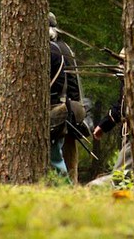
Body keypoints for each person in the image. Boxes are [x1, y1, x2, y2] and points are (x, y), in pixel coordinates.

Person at [48, 12, 85, 184]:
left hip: (64, 106)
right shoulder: (64, 47)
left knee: (61, 155)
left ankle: (68, 187)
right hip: (71, 105)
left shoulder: (54, 49)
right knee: (66, 154)